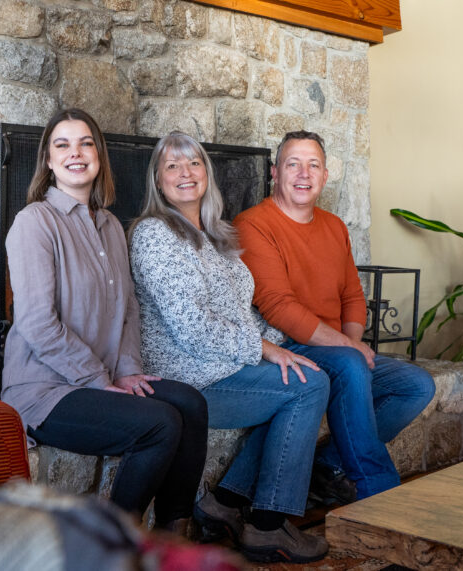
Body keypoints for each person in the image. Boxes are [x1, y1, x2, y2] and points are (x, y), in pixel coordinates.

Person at [1, 109, 208, 533]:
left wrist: (128, 371)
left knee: (190, 403)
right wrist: (99, 378)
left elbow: (129, 307)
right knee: (159, 423)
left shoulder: (111, 225)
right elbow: (39, 323)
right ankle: (114, 542)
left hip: (104, 378)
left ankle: (173, 534)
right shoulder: (34, 223)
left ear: (99, 156)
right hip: (45, 391)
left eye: (85, 143)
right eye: (63, 145)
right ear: (48, 160)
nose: (75, 153)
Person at [129, 131, 329, 564]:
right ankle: (268, 526)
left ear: (207, 173)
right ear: (158, 181)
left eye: (194, 163)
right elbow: (192, 327)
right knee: (308, 387)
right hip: (191, 375)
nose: (186, 173)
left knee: (308, 372)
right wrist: (266, 350)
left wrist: (285, 343)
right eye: (172, 166)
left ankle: (224, 499)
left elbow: (239, 314)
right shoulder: (154, 234)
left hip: (228, 363)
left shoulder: (215, 236)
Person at [233, 130, 436, 502]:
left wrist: (353, 344)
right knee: (349, 364)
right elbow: (278, 307)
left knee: (417, 386)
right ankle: (379, 492)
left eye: (313, 165)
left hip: (335, 348)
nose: (303, 174)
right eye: (293, 164)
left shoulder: (334, 226)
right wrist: (347, 349)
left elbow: (353, 296)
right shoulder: (253, 224)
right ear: (274, 173)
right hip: (289, 345)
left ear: (325, 176)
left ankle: (323, 465)